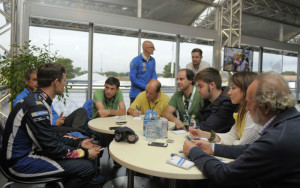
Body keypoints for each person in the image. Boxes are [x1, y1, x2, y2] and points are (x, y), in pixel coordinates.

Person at [183, 72, 300, 187]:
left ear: (266, 106)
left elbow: (224, 175)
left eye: (249, 103)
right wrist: (212, 148)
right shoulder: (290, 122)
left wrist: (194, 152)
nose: (247, 109)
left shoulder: (276, 139)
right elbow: (249, 149)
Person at [1, 63, 101, 188]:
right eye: (64, 81)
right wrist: (84, 153)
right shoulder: (37, 107)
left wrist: (79, 144)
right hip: (19, 164)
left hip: (26, 154)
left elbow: (51, 136)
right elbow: (51, 146)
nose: (65, 84)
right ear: (55, 82)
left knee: (80, 161)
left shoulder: (37, 100)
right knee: (86, 168)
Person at [190, 71, 261, 145]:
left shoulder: (253, 114)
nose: (229, 92)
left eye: (233, 88)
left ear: (246, 90)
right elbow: (231, 136)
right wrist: (204, 134)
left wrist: (234, 142)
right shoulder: (241, 110)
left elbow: (242, 146)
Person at [13, 69, 88, 134]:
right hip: (48, 127)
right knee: (74, 130)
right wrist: (54, 122)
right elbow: (32, 123)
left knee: (81, 111)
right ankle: (75, 134)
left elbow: (51, 112)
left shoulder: (41, 96)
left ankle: (75, 133)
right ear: (26, 81)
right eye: (35, 80)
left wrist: (59, 118)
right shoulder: (22, 98)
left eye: (39, 80)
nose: (38, 83)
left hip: (57, 122)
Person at [195, 68, 237, 133]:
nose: (198, 90)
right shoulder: (208, 100)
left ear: (212, 85)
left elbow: (207, 128)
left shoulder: (226, 104)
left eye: (201, 86)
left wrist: (192, 128)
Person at [90, 77, 126, 148]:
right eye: (107, 87)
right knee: (107, 135)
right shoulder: (98, 92)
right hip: (97, 126)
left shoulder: (119, 93)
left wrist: (108, 111)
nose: (108, 91)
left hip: (112, 125)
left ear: (117, 90)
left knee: (125, 133)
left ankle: (117, 156)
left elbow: (123, 111)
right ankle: (100, 155)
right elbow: (102, 113)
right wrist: (117, 112)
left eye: (112, 89)